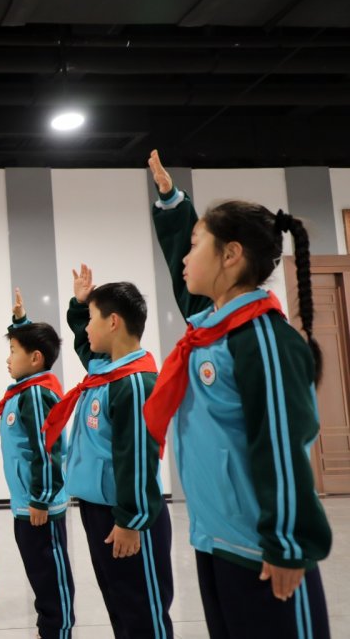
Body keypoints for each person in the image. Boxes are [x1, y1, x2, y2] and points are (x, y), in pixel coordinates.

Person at [145, 149, 331, 638]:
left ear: (231, 255)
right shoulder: (212, 329)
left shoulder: (262, 339)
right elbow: (185, 277)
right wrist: (171, 201)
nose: (185, 258)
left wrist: (286, 542)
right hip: (216, 538)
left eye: (196, 246)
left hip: (262, 551)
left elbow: (284, 443)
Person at [42, 266, 173, 638]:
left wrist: (131, 520)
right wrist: (80, 303)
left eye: (92, 319)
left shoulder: (134, 383)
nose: (86, 328)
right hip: (100, 509)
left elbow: (138, 458)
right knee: (120, 602)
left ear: (113, 322)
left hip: (128, 515)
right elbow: (85, 343)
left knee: (143, 610)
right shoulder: (105, 370)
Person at [0, 288, 74, 639]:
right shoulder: (25, 390)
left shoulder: (36, 394)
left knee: (50, 574)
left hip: (39, 505)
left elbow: (47, 449)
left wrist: (41, 498)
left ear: (35, 359)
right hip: (25, 503)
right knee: (38, 573)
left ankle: (57, 630)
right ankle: (48, 628)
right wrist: (20, 322)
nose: (7, 359)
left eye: (13, 351)